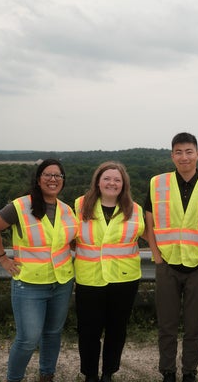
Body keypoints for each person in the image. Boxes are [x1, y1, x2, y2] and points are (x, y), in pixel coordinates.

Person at [0, 159, 78, 382]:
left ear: (63, 181)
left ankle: (47, 374)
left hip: (61, 282)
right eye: (47, 175)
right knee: (28, 339)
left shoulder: (67, 210)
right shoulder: (20, 206)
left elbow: (70, 241)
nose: (53, 179)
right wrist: (3, 259)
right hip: (29, 285)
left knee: (53, 333)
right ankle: (14, 378)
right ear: (38, 179)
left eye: (58, 176)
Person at [144, 132, 198, 382]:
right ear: (172, 156)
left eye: (189, 151)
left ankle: (190, 371)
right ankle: (167, 371)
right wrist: (156, 256)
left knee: (194, 326)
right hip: (166, 264)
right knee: (166, 325)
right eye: (178, 152)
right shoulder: (158, 182)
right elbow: (149, 220)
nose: (184, 156)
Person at [74, 161, 145, 382]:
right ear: (97, 181)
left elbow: (147, 236)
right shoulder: (79, 205)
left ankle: (108, 373)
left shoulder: (135, 209)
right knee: (88, 332)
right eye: (107, 178)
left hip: (124, 279)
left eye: (117, 179)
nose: (111, 183)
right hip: (89, 278)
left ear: (123, 184)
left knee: (117, 330)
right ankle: (90, 374)